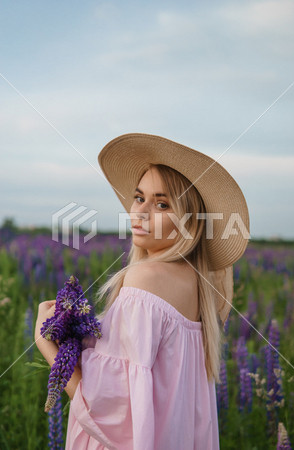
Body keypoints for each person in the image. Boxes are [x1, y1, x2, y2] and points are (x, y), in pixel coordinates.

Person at [35, 133, 250, 449]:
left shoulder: (145, 280)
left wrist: (46, 343)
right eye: (139, 198)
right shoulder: (199, 285)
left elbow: (109, 411)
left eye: (162, 204)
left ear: (191, 222)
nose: (140, 212)